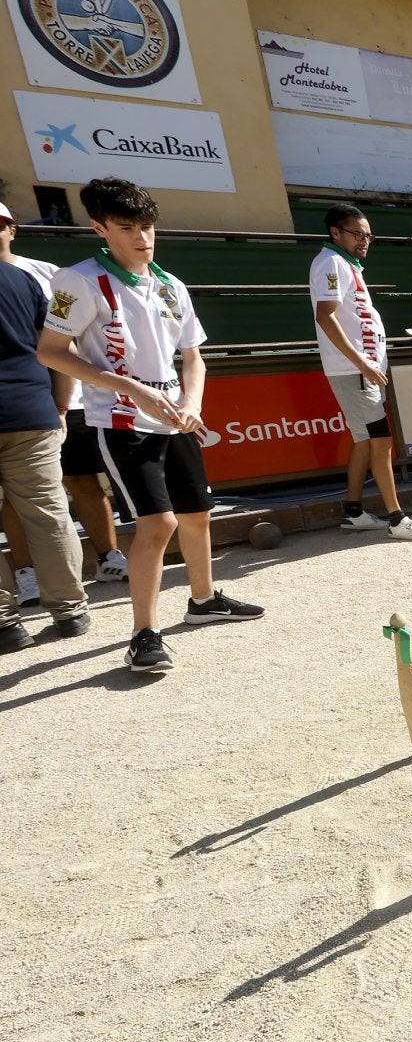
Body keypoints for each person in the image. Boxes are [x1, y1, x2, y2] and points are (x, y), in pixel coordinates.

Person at [37, 178, 265, 673]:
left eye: (147, 226)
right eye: (127, 228)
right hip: (119, 420)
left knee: (198, 514)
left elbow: (194, 357)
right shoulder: (74, 281)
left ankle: (202, 601)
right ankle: (144, 633)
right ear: (99, 229)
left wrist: (192, 402)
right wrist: (132, 389)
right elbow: (51, 351)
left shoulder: (170, 284)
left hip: (175, 420)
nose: (142, 237)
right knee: (157, 523)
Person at [0, 202, 127, 604]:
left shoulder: (49, 275)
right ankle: (29, 577)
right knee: (22, 501)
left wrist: (64, 398)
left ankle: (108, 557)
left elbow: (72, 336)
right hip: (38, 406)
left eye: (0, 224)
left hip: (60, 402)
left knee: (79, 482)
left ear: (13, 228)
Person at [311, 203, 412, 541]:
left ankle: (353, 511)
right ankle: (397, 519)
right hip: (355, 372)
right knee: (381, 441)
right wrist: (361, 362)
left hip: (363, 370)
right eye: (357, 234)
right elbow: (326, 316)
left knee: (366, 441)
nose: (365, 240)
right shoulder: (331, 263)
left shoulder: (345, 263)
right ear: (335, 232)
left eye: (368, 235)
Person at [0, 242, 91, 652]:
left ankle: (5, 622)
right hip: (30, 411)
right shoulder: (20, 278)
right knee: (49, 512)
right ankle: (69, 611)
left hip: (30, 411)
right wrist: (59, 405)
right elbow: (60, 348)